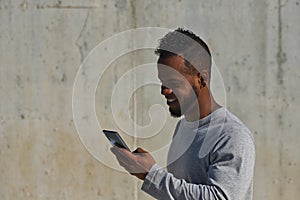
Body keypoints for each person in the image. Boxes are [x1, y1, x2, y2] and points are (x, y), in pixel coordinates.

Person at [111, 28, 255, 200]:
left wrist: (151, 174)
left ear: (201, 78)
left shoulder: (231, 135)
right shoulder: (183, 127)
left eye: (173, 82)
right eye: (162, 82)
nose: (164, 90)